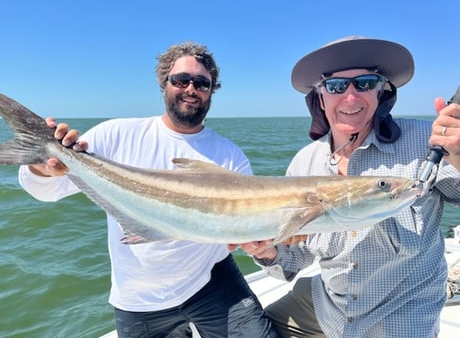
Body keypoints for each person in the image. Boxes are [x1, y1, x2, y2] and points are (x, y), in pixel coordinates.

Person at [18, 42, 278, 338]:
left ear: (211, 90)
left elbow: (243, 227)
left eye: (202, 83)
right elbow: (46, 191)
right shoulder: (114, 135)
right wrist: (43, 167)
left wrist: (263, 245)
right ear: (164, 83)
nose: (191, 88)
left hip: (213, 282)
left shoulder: (231, 156)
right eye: (181, 80)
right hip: (138, 299)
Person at [234, 36, 460, 338]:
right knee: (242, 330)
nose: (351, 98)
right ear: (320, 97)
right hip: (327, 305)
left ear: (381, 92)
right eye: (337, 86)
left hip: (401, 317)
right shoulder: (304, 163)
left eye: (365, 83)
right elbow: (299, 254)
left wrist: (458, 155)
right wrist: (266, 251)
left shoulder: (426, 141)